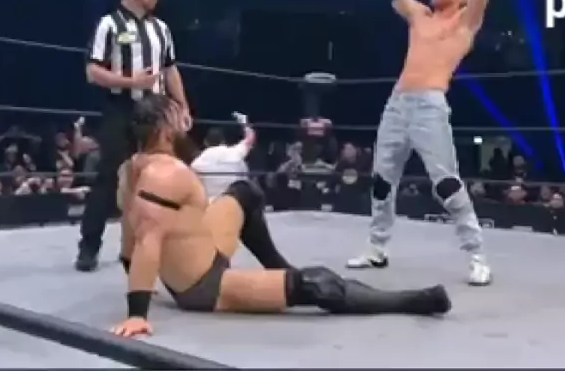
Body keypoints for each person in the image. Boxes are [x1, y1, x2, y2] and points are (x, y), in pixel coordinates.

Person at [110, 95, 451, 338]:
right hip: (204, 286)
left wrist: (138, 277)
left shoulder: (130, 169)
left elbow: (129, 230)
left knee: (244, 192)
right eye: (178, 117)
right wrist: (137, 313)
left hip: (205, 250)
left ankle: (279, 268)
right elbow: (146, 238)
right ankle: (413, 301)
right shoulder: (166, 174)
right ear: (166, 130)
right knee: (318, 283)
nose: (187, 122)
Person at [346, 0, 494, 285]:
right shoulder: (420, 17)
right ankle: (376, 248)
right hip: (397, 104)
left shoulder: (466, 22)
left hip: (430, 105)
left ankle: (477, 255)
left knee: (446, 183)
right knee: (382, 180)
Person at [76, 0, 192, 272]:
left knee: (161, 176)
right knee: (109, 176)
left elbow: (170, 69)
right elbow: (92, 71)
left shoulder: (161, 28)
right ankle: (89, 247)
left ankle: (153, 245)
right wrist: (131, 82)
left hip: (155, 110)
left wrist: (182, 105)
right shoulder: (109, 25)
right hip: (121, 108)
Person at [191, 113, 255, 201]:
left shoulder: (198, 162)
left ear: (206, 142)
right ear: (223, 141)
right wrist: (244, 122)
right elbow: (250, 138)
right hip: (234, 203)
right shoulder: (234, 153)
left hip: (210, 204)